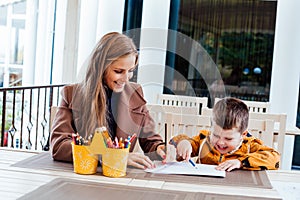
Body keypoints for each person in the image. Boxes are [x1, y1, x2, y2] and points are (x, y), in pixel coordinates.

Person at [50, 32, 166, 169]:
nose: (126, 78)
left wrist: (160, 148)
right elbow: (59, 145)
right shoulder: (72, 94)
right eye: (118, 71)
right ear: (101, 68)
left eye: (130, 71)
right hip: (84, 177)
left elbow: (150, 139)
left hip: (119, 179)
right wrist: (111, 156)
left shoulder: (134, 93)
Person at [170, 97, 280, 171]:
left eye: (228, 138)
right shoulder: (204, 141)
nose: (220, 142)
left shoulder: (249, 146)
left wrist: (240, 162)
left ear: (243, 134)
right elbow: (178, 143)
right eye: (216, 135)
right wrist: (183, 143)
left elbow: (274, 158)